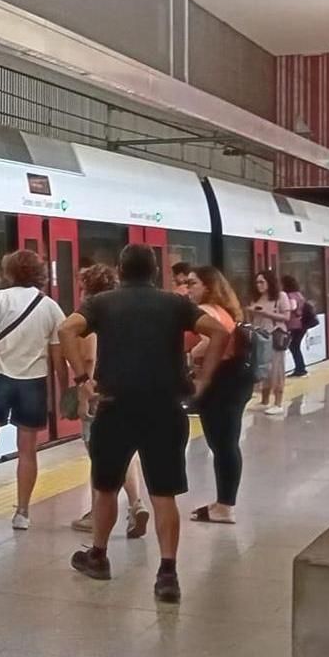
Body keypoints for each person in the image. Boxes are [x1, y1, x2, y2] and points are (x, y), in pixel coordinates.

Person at [59, 244, 228, 603]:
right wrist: (204, 379)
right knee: (163, 494)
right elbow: (219, 332)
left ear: (120, 269)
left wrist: (82, 380)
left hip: (115, 406)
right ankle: (168, 573)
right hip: (165, 409)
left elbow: (66, 330)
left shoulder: (102, 303)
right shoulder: (175, 303)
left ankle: (99, 556)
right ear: (154, 272)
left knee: (105, 487)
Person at [0, 249, 64, 529]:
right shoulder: (50, 306)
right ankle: (23, 514)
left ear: (9, 272)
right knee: (27, 450)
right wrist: (64, 389)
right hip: (33, 383)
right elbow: (57, 354)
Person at [69, 263, 149, 539]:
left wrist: (83, 394)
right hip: (125, 389)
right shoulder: (125, 315)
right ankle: (136, 505)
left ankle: (97, 514)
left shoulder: (92, 317)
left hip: (99, 394)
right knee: (126, 451)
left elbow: (89, 357)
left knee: (100, 457)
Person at [189, 267, 257, 525]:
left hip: (222, 384)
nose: (188, 288)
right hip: (234, 381)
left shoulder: (207, 311)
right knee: (225, 443)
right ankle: (223, 502)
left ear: (207, 286)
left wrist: (192, 354)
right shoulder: (224, 310)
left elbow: (210, 341)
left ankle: (225, 506)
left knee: (223, 444)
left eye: (193, 283)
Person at [248, 270, 293, 416]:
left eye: (262, 282)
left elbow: (286, 317)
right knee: (262, 369)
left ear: (270, 282)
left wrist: (266, 314)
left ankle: (278, 402)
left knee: (277, 369)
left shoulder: (281, 296)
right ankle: (264, 400)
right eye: (257, 282)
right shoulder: (257, 298)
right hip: (259, 337)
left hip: (274, 336)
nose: (259, 285)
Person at [281, 274, 310, 378]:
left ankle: (300, 369)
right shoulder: (298, 294)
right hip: (301, 324)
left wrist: (283, 308)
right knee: (295, 346)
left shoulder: (290, 295)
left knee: (294, 346)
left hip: (294, 325)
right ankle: (300, 368)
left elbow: (293, 307)